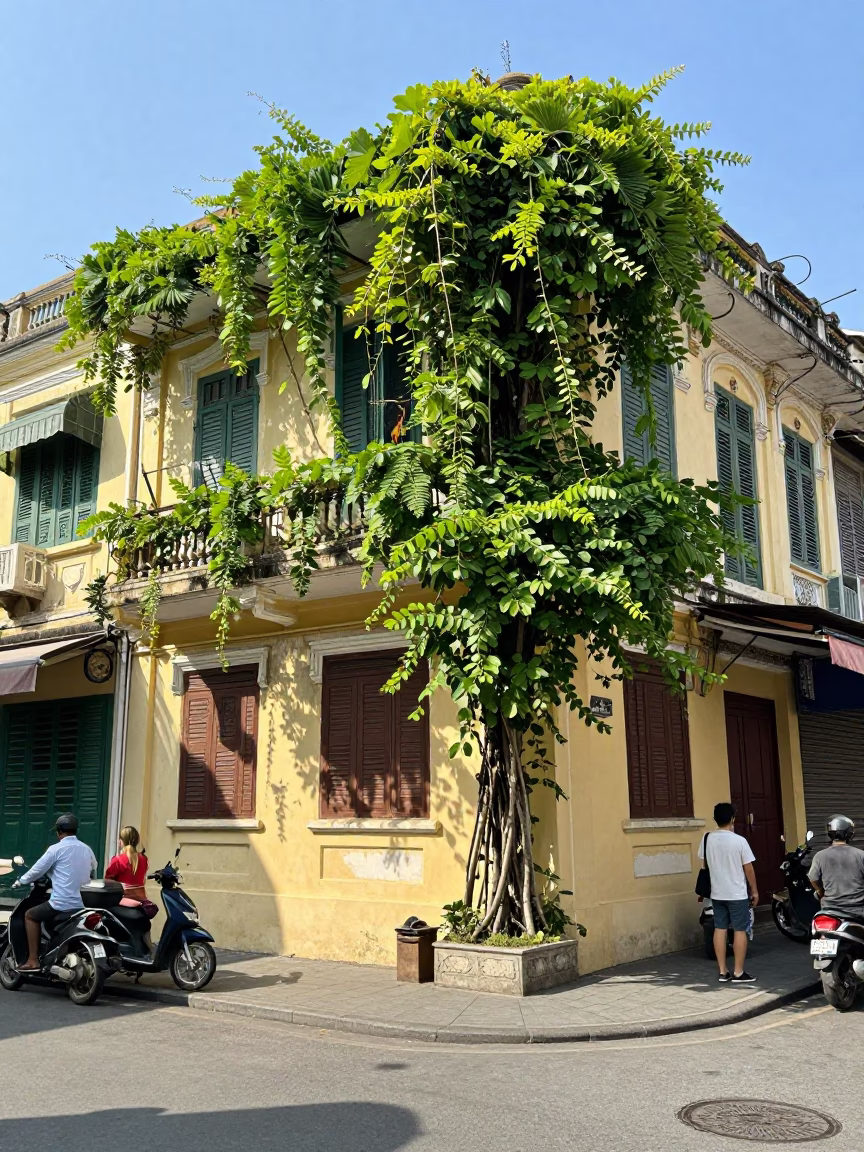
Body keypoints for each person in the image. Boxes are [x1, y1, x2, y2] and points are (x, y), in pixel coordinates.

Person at [12, 813, 97, 971]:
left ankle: (33, 960)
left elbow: (36, 870)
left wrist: (20, 881)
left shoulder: (55, 849)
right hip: (82, 904)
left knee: (30, 915)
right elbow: (93, 869)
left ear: (59, 831)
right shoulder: (87, 849)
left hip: (61, 903)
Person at [698, 802, 759, 983]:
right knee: (740, 930)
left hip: (717, 893)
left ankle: (723, 971)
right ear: (732, 819)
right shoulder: (739, 841)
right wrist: (754, 890)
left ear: (715, 819)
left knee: (720, 928)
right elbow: (749, 869)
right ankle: (738, 972)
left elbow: (705, 865)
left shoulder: (707, 839)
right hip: (737, 894)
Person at [808, 815, 864, 920]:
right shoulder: (861, 855)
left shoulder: (820, 856)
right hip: (857, 910)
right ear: (850, 834)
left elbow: (813, 878)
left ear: (830, 834)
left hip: (829, 909)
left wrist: (820, 892)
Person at [105, 826, 149, 905]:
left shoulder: (117, 860)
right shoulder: (144, 859)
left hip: (123, 899)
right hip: (141, 899)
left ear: (121, 841)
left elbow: (108, 881)